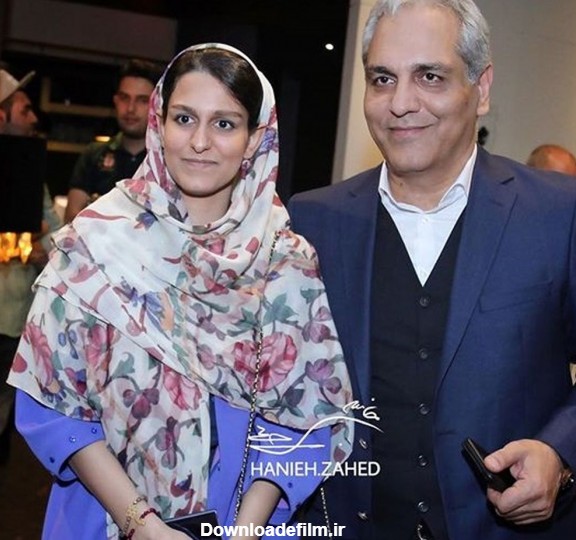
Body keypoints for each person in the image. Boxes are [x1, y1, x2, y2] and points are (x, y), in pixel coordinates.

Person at [8, 44, 353, 540]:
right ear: (159, 122)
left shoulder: (285, 262)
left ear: (255, 139)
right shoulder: (95, 244)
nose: (199, 142)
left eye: (225, 124)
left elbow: (304, 417)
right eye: (185, 118)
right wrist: (142, 525)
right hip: (105, 519)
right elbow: (53, 404)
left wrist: (244, 530)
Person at [288, 1, 576, 539]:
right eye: (383, 79)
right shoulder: (312, 221)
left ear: (481, 88)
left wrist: (561, 452)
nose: (401, 103)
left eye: (429, 76)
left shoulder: (558, 213)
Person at [0, 68, 61, 465]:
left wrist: (40, 248)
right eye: (24, 110)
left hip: (12, 322)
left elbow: (56, 239)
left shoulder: (28, 175)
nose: (33, 118)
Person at [63, 58, 163, 223]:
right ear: (115, 101)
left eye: (142, 100)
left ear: (157, 106)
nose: (130, 108)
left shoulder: (165, 161)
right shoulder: (94, 154)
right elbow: (72, 218)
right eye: (124, 98)